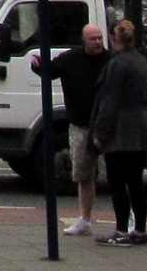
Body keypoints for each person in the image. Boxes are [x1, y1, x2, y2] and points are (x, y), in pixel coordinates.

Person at [30, 21, 108, 237]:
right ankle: (84, 219)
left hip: (106, 126)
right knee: (83, 174)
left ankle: (128, 218)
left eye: (100, 38)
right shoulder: (71, 59)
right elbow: (50, 71)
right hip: (81, 125)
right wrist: (38, 66)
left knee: (119, 175)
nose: (98, 42)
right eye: (93, 39)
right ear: (84, 41)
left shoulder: (110, 61)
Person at [91, 17, 147, 246]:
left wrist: (100, 133)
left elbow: (109, 101)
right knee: (136, 180)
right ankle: (140, 230)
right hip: (142, 126)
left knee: (117, 180)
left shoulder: (117, 64)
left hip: (121, 129)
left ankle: (121, 231)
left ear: (113, 39)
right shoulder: (140, 60)